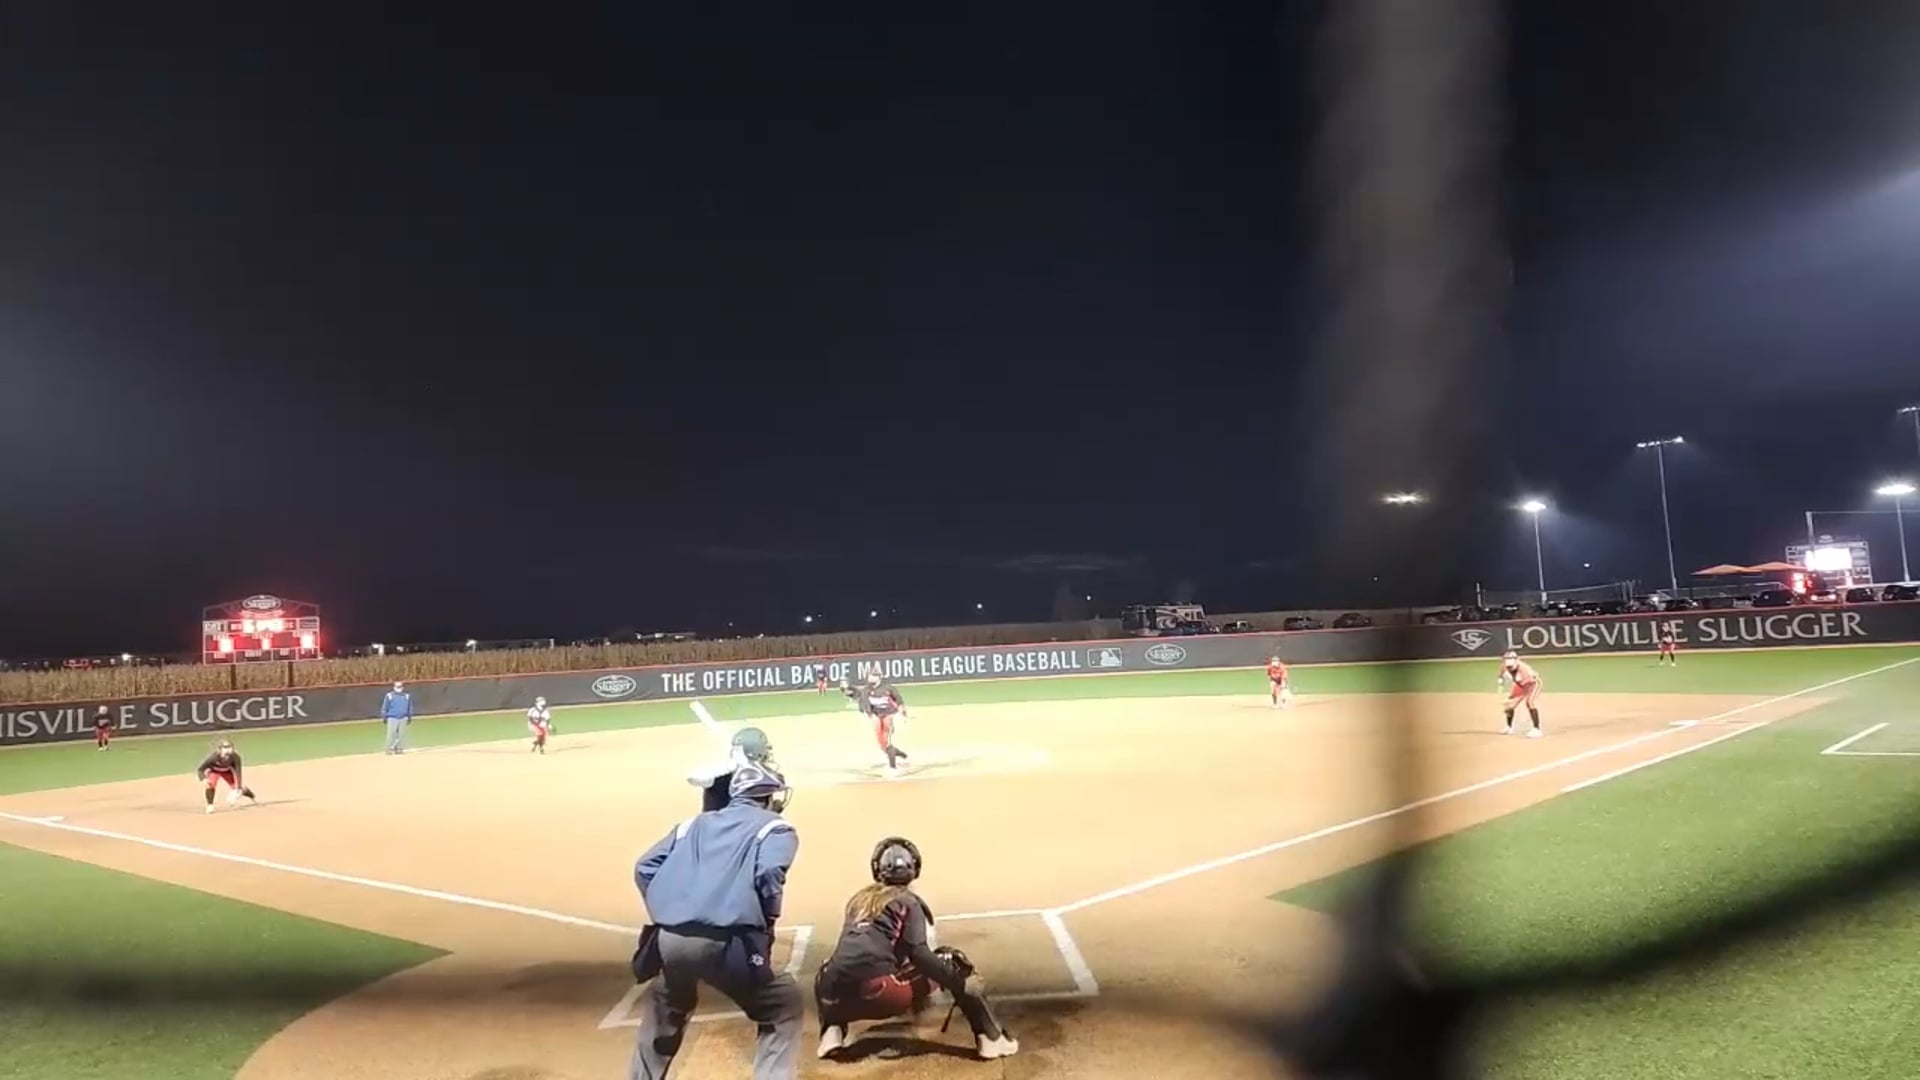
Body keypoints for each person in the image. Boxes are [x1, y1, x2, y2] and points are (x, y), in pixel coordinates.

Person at [630, 763, 803, 1080]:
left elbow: (645, 867)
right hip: (724, 944)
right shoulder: (775, 828)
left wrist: (668, 910)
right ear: (766, 798)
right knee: (782, 1004)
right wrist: (767, 919)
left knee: (666, 1004)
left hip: (670, 941)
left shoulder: (692, 825)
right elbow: (769, 872)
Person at [813, 837, 1018, 1062]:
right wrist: (955, 979)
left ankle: (831, 1033)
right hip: (881, 995)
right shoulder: (908, 902)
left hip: (835, 997)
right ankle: (991, 1039)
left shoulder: (857, 901)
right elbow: (918, 954)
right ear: (914, 869)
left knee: (827, 968)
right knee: (954, 964)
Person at [687, 727, 780, 812]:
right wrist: (727, 769)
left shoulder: (759, 775)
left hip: (737, 822)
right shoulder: (724, 775)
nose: (767, 753)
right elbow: (693, 778)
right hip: (722, 824)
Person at [854, 672, 911, 775]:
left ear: (879, 678)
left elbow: (899, 700)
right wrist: (870, 714)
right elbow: (864, 704)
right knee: (882, 744)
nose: (870, 678)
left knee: (887, 740)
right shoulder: (866, 690)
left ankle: (893, 768)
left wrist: (903, 713)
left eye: (873, 676)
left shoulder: (888, 688)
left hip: (889, 715)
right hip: (877, 717)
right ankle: (902, 755)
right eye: (869, 676)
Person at [197, 737, 258, 814]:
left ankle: (252, 797)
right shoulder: (213, 758)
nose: (228, 750)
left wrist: (238, 788)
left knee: (238, 787)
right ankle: (210, 805)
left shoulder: (235, 757)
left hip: (227, 771)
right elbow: (200, 769)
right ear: (219, 749)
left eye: (229, 747)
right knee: (210, 784)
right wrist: (203, 779)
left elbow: (238, 772)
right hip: (214, 771)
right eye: (225, 747)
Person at [1499, 650, 1543, 737]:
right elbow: (1502, 672)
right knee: (1509, 705)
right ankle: (1509, 727)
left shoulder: (1524, 671)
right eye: (1508, 667)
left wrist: (1516, 700)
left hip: (1532, 684)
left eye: (1511, 667)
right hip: (1520, 684)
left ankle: (1537, 729)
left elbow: (1526, 690)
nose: (1509, 668)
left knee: (1529, 702)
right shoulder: (1506, 665)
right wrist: (1500, 680)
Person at [381, 681, 414, 754]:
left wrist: (409, 717)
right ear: (394, 687)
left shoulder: (407, 696)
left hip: (403, 717)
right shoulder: (389, 695)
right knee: (391, 735)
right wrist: (384, 717)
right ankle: (389, 749)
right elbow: (385, 707)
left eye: (400, 686)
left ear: (402, 687)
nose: (399, 688)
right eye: (397, 687)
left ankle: (399, 749)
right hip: (392, 717)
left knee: (401, 735)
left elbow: (409, 707)